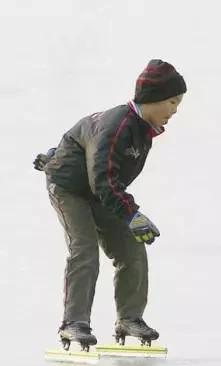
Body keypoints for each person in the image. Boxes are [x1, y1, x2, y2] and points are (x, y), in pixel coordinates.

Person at [33, 59, 186, 350]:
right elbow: (103, 178)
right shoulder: (118, 125)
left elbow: (105, 175)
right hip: (69, 189)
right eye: (172, 101)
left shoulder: (142, 128)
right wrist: (132, 214)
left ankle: (129, 318)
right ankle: (74, 323)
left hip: (101, 192)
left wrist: (130, 218)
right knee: (85, 249)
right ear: (152, 99)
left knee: (132, 248)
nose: (175, 110)